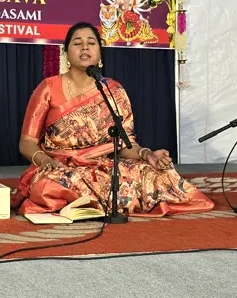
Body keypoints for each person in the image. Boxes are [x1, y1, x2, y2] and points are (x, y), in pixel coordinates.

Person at [13, 22, 214, 216]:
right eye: (77, 43)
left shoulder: (113, 90)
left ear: (99, 53)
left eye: (91, 43)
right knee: (48, 185)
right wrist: (45, 160)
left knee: (157, 174)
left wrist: (147, 155)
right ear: (66, 52)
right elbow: (27, 142)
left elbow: (124, 144)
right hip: (61, 167)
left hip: (103, 167)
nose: (85, 47)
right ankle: (97, 201)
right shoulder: (48, 88)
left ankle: (90, 203)